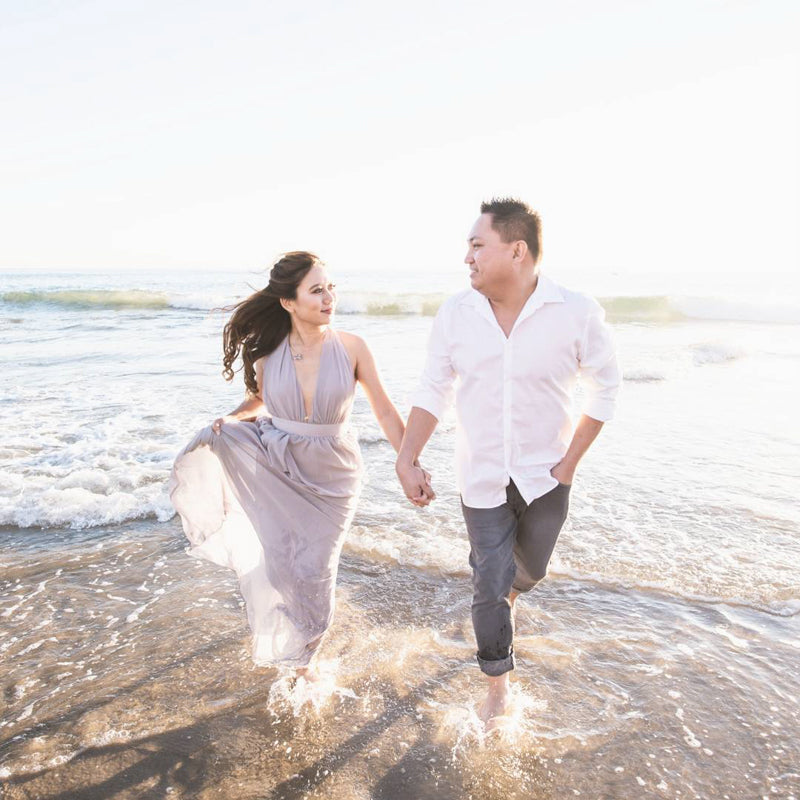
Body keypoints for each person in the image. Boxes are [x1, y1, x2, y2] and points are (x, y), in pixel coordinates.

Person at [395, 199, 621, 729]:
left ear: (516, 251)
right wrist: (407, 458)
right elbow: (433, 389)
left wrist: (567, 467)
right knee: (489, 581)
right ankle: (497, 687)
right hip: (481, 476)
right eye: (468, 247)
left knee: (530, 571)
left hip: (548, 476)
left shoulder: (576, 311)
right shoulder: (456, 313)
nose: (467, 258)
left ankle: (510, 596)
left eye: (477, 245)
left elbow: (605, 389)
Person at [170, 251, 424, 681]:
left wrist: (410, 464)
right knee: (283, 562)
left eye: (331, 287)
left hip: (334, 476)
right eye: (317, 290)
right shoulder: (269, 354)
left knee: (316, 569)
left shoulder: (353, 347)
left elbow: (383, 410)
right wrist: (233, 419)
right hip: (280, 462)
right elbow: (263, 401)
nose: (329, 298)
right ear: (289, 302)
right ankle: (299, 660)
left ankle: (305, 652)